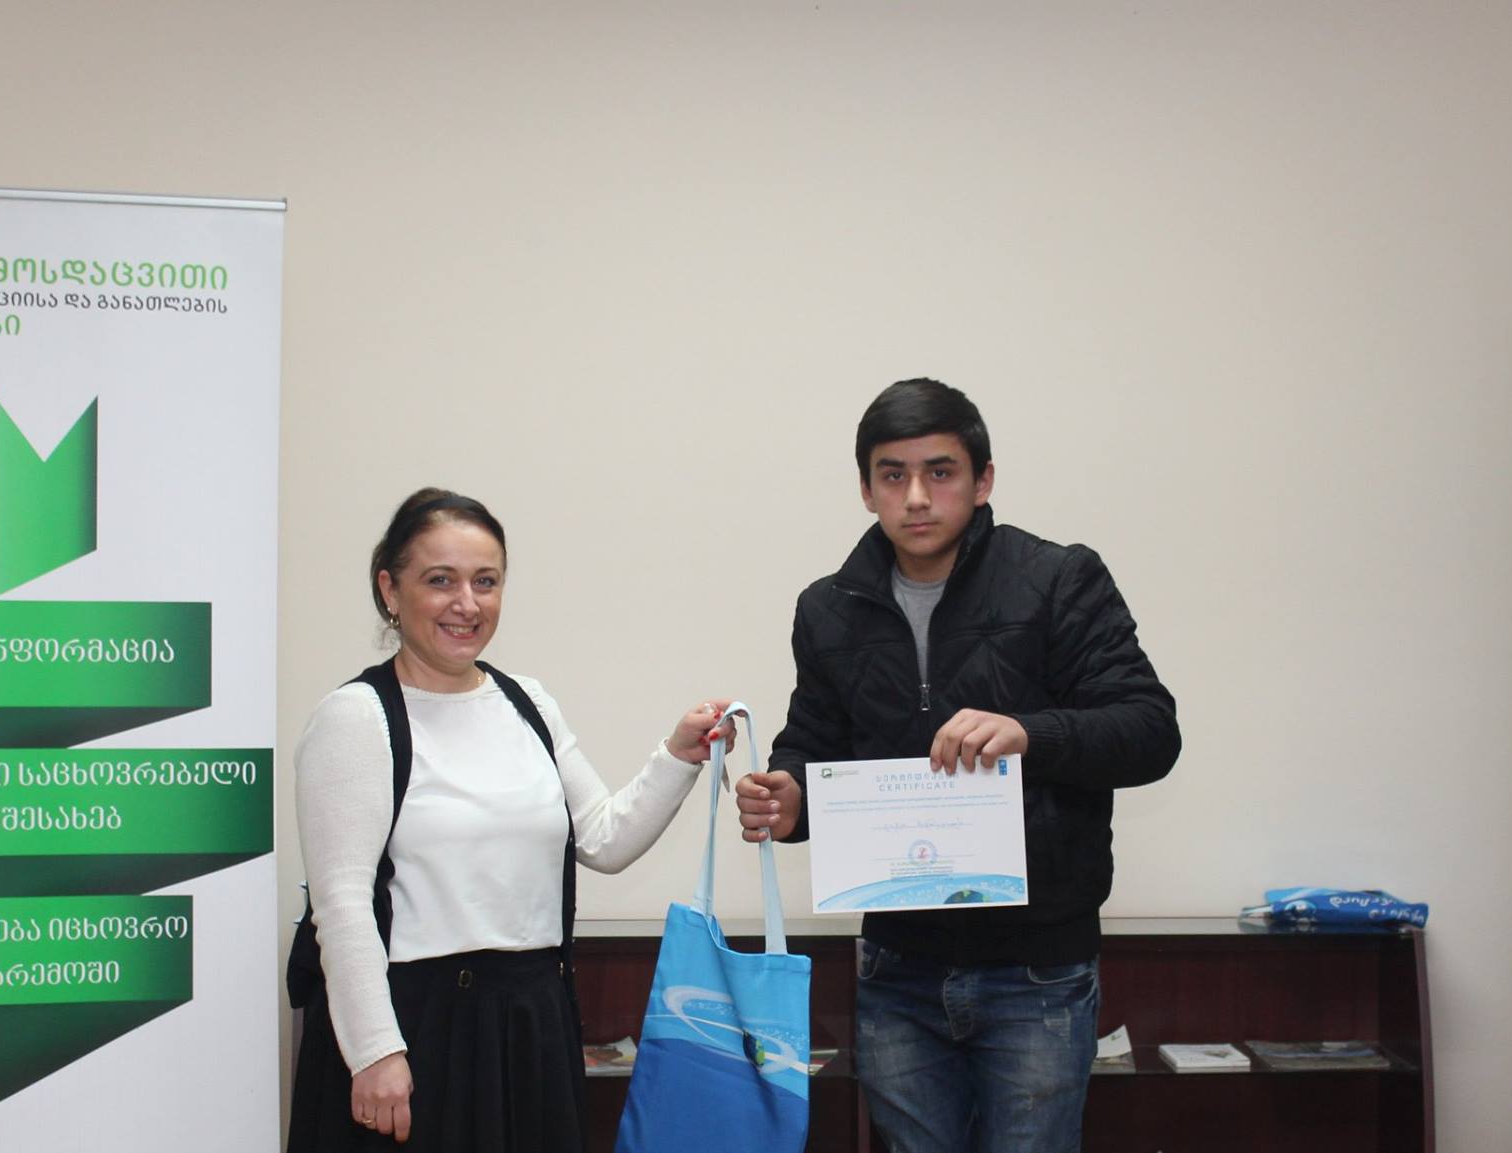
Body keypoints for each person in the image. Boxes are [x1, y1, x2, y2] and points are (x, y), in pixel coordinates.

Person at [733, 379, 1180, 1152]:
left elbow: (1149, 730)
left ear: (983, 480)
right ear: (866, 489)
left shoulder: (1058, 578)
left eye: (939, 472)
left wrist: (1029, 732)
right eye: (892, 474)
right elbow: (811, 742)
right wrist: (789, 797)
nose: (915, 496)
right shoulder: (828, 608)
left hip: (1037, 967)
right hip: (896, 963)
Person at [293, 488, 731, 1152]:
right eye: (440, 580)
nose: (467, 603)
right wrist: (375, 1051)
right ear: (390, 589)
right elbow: (342, 901)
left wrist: (678, 754)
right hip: (415, 1030)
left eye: (485, 581)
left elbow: (604, 838)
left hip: (532, 1022)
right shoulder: (357, 716)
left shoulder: (528, 703)